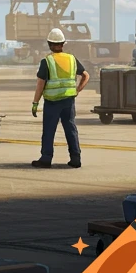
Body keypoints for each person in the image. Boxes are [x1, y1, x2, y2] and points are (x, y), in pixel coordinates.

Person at [32, 27, 89, 169]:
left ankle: (46, 159)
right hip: (69, 101)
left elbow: (40, 84)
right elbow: (86, 76)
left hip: (52, 102)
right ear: (63, 44)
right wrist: (77, 90)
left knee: (49, 130)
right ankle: (75, 158)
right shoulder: (72, 59)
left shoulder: (47, 61)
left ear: (49, 44)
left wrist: (35, 103)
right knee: (70, 128)